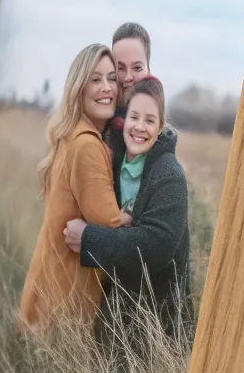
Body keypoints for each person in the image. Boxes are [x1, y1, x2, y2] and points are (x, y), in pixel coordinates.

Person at [63, 77, 191, 339]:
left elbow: (156, 245)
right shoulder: (111, 164)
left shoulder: (169, 174)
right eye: (134, 117)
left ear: (160, 126)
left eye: (150, 120)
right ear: (124, 120)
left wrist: (88, 239)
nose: (140, 127)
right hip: (115, 319)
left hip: (160, 329)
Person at [18, 44, 130, 329]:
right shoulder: (87, 146)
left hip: (46, 289)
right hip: (68, 303)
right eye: (95, 79)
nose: (106, 88)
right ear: (78, 87)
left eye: (112, 79)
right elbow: (112, 225)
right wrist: (138, 211)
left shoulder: (69, 136)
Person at [110, 21, 152, 128]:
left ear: (149, 70)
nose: (128, 77)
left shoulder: (161, 137)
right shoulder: (98, 124)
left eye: (137, 68)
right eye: (120, 68)